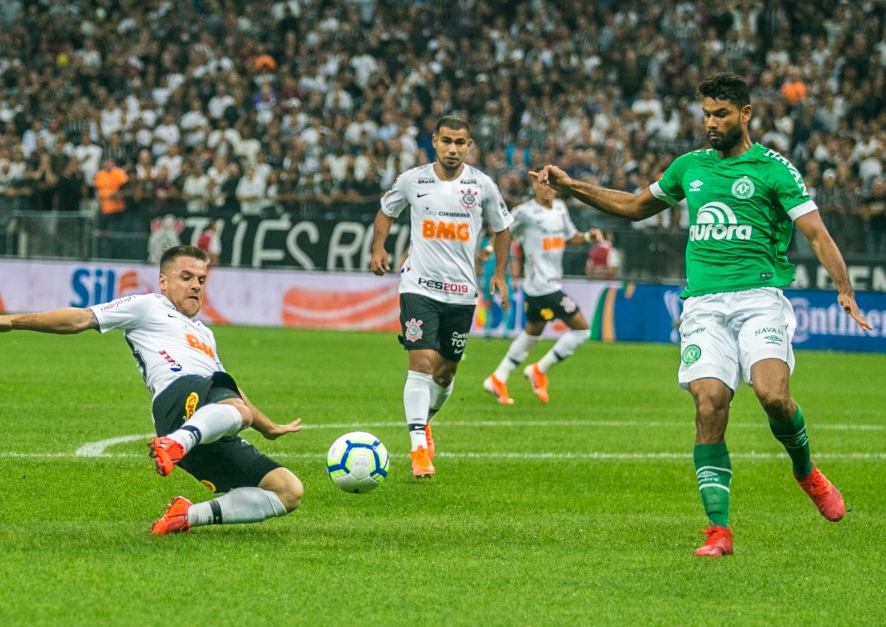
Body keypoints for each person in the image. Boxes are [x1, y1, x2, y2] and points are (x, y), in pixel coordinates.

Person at [532, 73, 871, 557]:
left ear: (746, 114)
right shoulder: (688, 167)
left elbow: (815, 232)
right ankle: (719, 531)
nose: (711, 123)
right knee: (709, 403)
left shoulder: (774, 169)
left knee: (774, 397)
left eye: (721, 114)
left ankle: (807, 472)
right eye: (706, 114)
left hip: (759, 298)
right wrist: (571, 187)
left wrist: (843, 288)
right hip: (704, 306)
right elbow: (633, 206)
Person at [0, 245, 303, 534]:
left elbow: (230, 390)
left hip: (206, 415)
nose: (196, 286)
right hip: (177, 398)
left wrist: (269, 427)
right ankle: (175, 444)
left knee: (288, 491)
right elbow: (79, 319)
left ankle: (186, 515)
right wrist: (12, 321)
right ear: (163, 281)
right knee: (231, 404)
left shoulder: (204, 334)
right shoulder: (149, 306)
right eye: (186, 277)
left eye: (201, 279)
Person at [370, 116, 514, 479]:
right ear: (434, 141)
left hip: (462, 292)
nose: (452, 149)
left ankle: (425, 421)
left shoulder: (481, 185)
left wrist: (499, 274)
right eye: (446, 141)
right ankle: (418, 447)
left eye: (460, 142)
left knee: (445, 373)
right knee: (420, 363)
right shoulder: (413, 179)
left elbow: (503, 227)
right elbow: (386, 212)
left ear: (469, 146)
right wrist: (378, 249)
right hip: (418, 286)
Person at [483, 176, 604, 405]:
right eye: (542, 184)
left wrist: (588, 236)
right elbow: (503, 230)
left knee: (532, 332)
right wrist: (489, 248)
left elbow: (570, 237)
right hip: (542, 286)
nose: (548, 188)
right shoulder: (525, 212)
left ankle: (498, 377)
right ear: (534, 186)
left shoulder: (560, 208)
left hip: (545, 286)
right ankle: (540, 369)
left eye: (551, 184)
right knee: (581, 331)